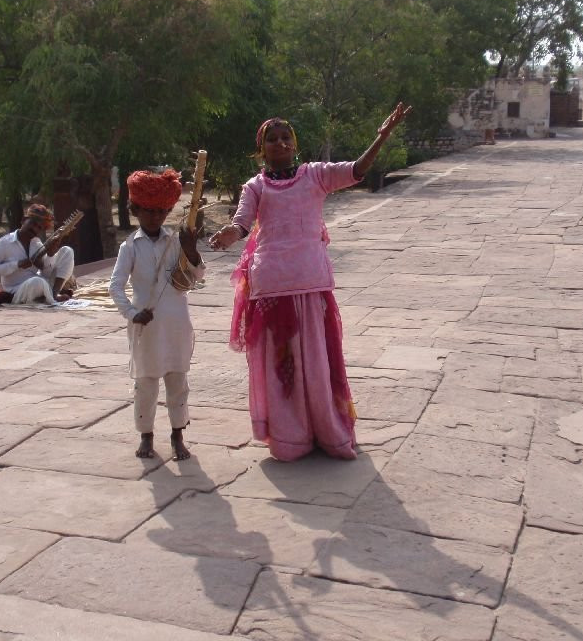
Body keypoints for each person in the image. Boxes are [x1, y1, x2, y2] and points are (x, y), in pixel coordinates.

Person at [209, 103, 412, 461]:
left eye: (286, 137)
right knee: (281, 366)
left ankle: (327, 432)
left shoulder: (315, 175)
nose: (280, 143)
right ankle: (289, 439)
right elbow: (242, 223)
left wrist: (382, 137)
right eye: (272, 139)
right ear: (262, 148)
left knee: (317, 363)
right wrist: (228, 234)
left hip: (310, 282)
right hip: (272, 286)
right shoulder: (255, 186)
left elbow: (356, 170)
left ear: (295, 144)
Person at [108, 169, 204, 461]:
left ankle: (178, 436)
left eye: (162, 212)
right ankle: (146, 436)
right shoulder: (130, 247)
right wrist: (132, 313)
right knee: (146, 385)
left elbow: (196, 278)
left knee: (178, 383)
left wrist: (192, 251)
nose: (156, 217)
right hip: (145, 328)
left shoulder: (176, 241)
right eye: (149, 211)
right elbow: (115, 286)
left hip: (176, 323)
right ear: (135, 210)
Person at [0, 203, 75, 304]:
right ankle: (49, 298)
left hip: (40, 283)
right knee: (37, 282)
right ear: (23, 220)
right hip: (17, 290)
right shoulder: (4, 243)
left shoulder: (36, 243)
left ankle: (53, 294)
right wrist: (17, 264)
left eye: (39, 227)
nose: (35, 229)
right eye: (33, 224)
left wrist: (50, 255)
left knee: (67, 251)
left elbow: (46, 271)